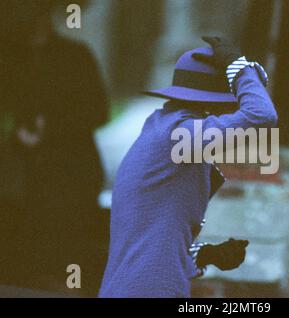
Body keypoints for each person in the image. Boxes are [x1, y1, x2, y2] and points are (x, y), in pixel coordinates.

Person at [99, 37, 278, 298]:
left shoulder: (161, 129)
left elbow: (146, 237)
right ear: (213, 103)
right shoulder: (179, 136)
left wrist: (201, 254)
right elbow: (261, 115)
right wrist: (239, 68)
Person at [0, 1, 109, 295]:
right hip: (26, 179)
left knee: (66, 255)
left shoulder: (74, 56)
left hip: (70, 174)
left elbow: (98, 110)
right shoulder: (11, 59)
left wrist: (49, 127)